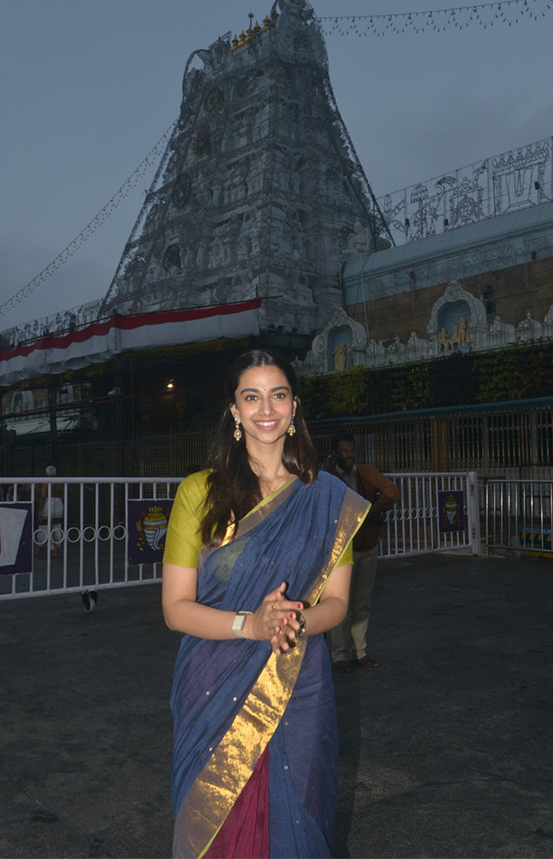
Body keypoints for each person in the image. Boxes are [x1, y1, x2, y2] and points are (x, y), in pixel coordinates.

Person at [161, 349, 369, 859]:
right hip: (213, 680)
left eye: (278, 395)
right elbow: (176, 608)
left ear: (294, 405)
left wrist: (290, 620)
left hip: (298, 679)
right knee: (219, 824)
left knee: (298, 816)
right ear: (234, 410)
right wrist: (251, 625)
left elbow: (338, 604)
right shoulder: (200, 493)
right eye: (250, 397)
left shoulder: (329, 498)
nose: (266, 408)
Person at [324, 433, 400, 673]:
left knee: (362, 603)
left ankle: (359, 651)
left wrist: (373, 510)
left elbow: (391, 492)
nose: (350, 454)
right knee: (339, 604)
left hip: (367, 545)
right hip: (342, 549)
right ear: (335, 453)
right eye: (345, 450)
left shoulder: (365, 471)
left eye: (352, 449)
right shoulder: (328, 477)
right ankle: (339, 655)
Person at [36, 465, 64, 559]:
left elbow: (43, 497)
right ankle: (56, 551)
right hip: (58, 504)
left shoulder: (45, 482)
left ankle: (40, 549)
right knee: (56, 527)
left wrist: (39, 511)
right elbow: (63, 496)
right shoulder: (61, 482)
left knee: (44, 526)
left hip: (48, 505)